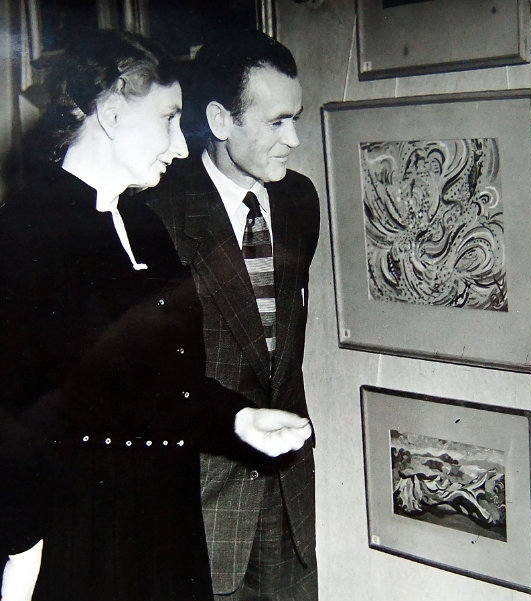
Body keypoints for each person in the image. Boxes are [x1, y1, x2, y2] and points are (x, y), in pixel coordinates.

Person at [0, 30, 312, 601]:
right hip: (73, 538)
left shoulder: (145, 227)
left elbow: (167, 387)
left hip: (163, 521)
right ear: (113, 114)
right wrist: (20, 549)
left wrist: (237, 421)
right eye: (169, 119)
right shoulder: (22, 232)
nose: (180, 145)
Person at [146, 30, 320, 600]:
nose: (293, 139)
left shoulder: (299, 201)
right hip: (199, 498)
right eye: (275, 122)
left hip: (288, 493)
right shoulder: (156, 213)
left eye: (294, 118)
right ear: (220, 120)